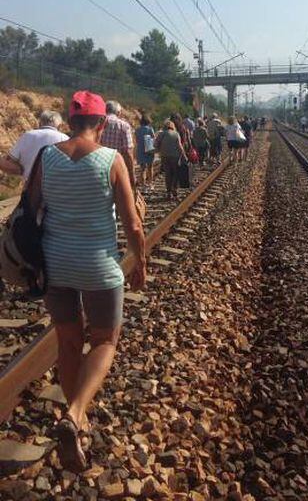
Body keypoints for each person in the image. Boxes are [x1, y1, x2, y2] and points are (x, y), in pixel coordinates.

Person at [28, 90, 146, 473]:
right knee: (105, 340)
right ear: (103, 123)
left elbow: (31, 208)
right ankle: (77, 414)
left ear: (69, 120)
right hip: (98, 267)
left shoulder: (47, 157)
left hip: (56, 264)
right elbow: (132, 223)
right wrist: (140, 262)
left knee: (68, 341)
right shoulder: (111, 160)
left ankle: (72, 412)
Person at [0, 110, 68, 181]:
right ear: (60, 126)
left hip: (30, 187)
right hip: (57, 188)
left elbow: (11, 162)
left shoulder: (28, 135)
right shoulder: (66, 139)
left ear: (40, 122)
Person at [100, 101, 135, 190]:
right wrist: (131, 174)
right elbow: (128, 152)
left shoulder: (97, 124)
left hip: (99, 167)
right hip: (117, 168)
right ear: (118, 112)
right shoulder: (124, 125)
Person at [156, 119, 187, 199]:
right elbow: (180, 147)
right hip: (175, 157)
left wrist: (160, 150)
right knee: (175, 173)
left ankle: (168, 192)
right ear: (173, 126)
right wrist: (184, 156)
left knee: (168, 174)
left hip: (165, 156)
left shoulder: (161, 134)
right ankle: (174, 189)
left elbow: (156, 144)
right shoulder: (176, 134)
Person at [135, 114, 155, 192]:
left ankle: (144, 187)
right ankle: (150, 184)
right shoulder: (150, 129)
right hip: (149, 149)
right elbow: (153, 138)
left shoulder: (137, 130)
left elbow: (136, 140)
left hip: (140, 150)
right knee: (150, 167)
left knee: (142, 169)